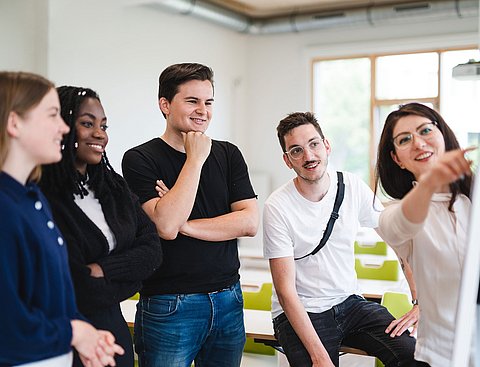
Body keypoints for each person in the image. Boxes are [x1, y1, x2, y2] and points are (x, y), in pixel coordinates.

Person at [122, 62, 259, 367]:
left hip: (228, 299)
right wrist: (195, 159)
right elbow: (165, 227)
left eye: (208, 102)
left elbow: (249, 223)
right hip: (170, 304)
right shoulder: (139, 158)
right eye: (192, 101)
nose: (203, 110)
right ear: (165, 104)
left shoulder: (228, 154)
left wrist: (183, 223)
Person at [263, 111, 416, 367]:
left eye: (313, 144)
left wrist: (419, 299)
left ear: (326, 145)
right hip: (301, 312)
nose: (309, 156)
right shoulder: (277, 206)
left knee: (414, 354)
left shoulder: (351, 186)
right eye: (297, 150)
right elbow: (286, 291)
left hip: (350, 303)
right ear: (287, 160)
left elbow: (399, 241)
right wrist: (319, 356)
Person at [0, 71, 124, 367]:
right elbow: (7, 326)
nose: (62, 127)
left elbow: (53, 295)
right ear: (15, 123)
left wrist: (86, 334)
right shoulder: (5, 207)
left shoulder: (32, 198)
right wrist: (74, 332)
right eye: (53, 115)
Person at [39, 85, 163, 367]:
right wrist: (128, 279)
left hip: (113, 334)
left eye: (103, 126)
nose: (99, 134)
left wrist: (104, 269)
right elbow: (76, 284)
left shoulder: (112, 186)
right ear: (61, 126)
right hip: (66, 341)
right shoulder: (44, 195)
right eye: (87, 124)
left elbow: (152, 250)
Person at [375, 103, 474, 366]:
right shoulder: (393, 213)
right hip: (442, 355)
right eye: (405, 139)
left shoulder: (472, 200)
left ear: (442, 135)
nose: (418, 143)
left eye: (425, 130)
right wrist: (430, 180)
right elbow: (402, 222)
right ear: (397, 158)